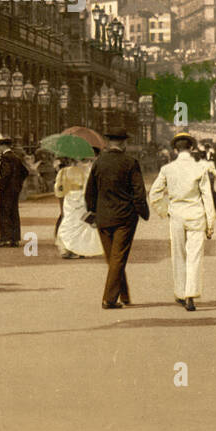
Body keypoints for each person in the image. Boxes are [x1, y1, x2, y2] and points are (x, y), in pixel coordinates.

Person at [149, 133, 216, 311]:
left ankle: (180, 292)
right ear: (192, 148)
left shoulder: (167, 169)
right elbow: (208, 199)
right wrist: (210, 225)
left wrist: (165, 211)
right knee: (194, 256)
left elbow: (154, 194)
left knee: (178, 255)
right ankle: (190, 295)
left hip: (177, 215)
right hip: (196, 215)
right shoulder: (200, 169)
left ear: (175, 149)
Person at [83, 128, 148, 310]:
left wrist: (93, 211)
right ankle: (109, 299)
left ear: (109, 142)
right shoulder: (130, 162)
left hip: (103, 217)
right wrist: (143, 212)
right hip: (125, 217)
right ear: (124, 143)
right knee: (118, 257)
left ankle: (124, 295)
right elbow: (139, 192)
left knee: (113, 258)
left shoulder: (99, 162)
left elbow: (90, 192)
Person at [54, 155, 103, 259]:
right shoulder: (85, 171)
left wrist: (61, 199)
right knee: (80, 224)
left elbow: (59, 188)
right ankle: (78, 248)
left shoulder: (63, 171)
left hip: (69, 199)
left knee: (68, 222)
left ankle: (67, 248)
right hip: (81, 199)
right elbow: (89, 187)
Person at [0, 137, 29, 247]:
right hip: (15, 190)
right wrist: (18, 183)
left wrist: (0, 186)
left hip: (7, 190)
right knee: (14, 212)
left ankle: (5, 239)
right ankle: (15, 239)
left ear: (3, 146)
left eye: (0, 146)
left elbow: (6, 174)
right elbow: (25, 172)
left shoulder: (5, 158)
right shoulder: (16, 157)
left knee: (4, 213)